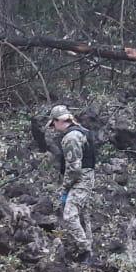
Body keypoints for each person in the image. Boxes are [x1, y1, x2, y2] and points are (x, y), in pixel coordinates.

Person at [48, 105, 97, 259]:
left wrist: (65, 187)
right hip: (87, 177)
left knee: (69, 214)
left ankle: (84, 250)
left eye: (53, 124)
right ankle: (87, 247)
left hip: (80, 179)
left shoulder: (71, 138)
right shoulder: (82, 131)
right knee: (83, 213)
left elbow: (74, 168)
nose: (54, 128)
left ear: (59, 121)